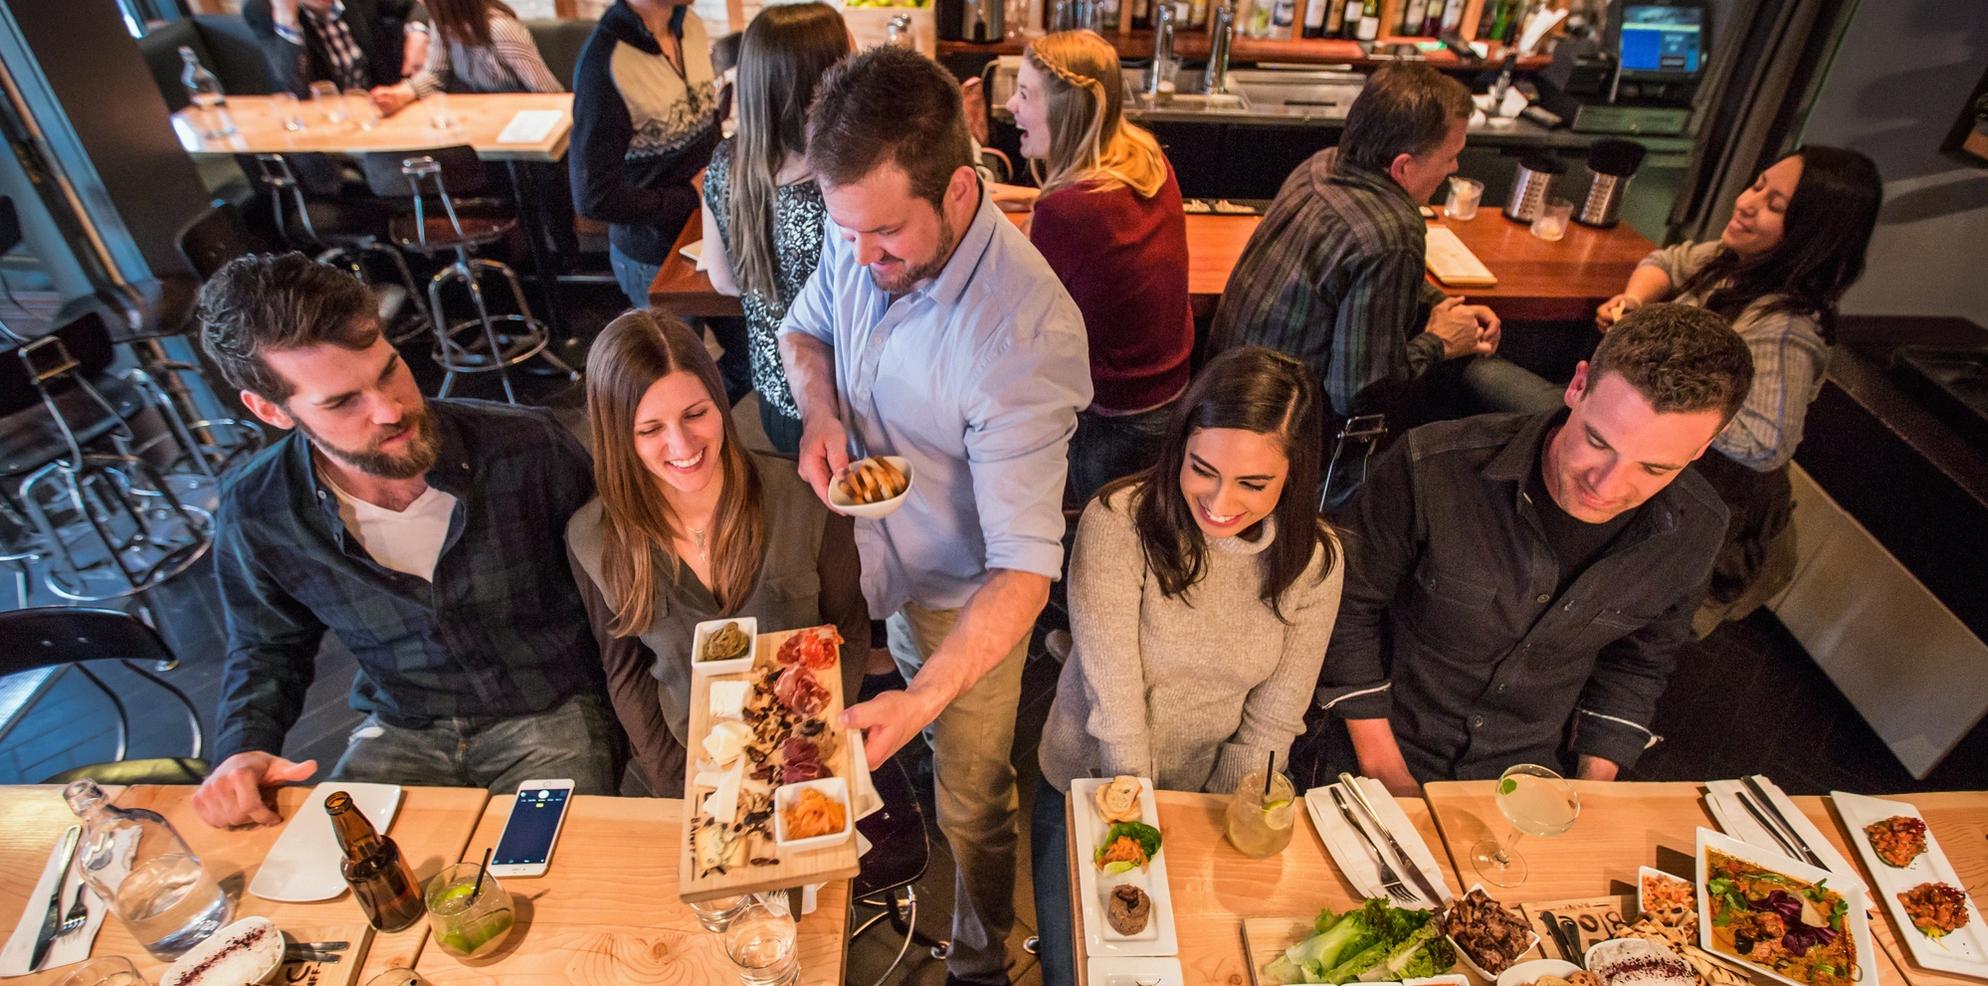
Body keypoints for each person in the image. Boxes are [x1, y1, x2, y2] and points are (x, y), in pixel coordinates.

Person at [779, 46, 1091, 986]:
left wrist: (921, 697)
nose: (863, 258)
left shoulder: (1022, 336)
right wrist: (821, 408)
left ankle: (983, 953)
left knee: (971, 800)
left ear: (960, 192)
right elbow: (803, 330)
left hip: (964, 597)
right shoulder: (859, 222)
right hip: (864, 558)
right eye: (850, 235)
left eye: (885, 237)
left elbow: (1026, 572)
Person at [189, 253, 612, 829]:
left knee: (548, 871)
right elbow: (266, 647)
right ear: (270, 410)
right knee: (337, 884)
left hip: (549, 711)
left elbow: (626, 581)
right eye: (341, 402)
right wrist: (242, 746)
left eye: (389, 370)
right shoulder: (259, 509)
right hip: (403, 728)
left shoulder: (526, 446)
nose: (390, 410)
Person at [1315, 303, 1754, 793]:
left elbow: (1638, 662)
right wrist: (1390, 778)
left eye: (1653, 469)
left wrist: (1592, 789)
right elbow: (1347, 612)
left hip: (1529, 776)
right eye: (1597, 441)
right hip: (1375, 749)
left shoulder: (1696, 528)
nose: (1607, 487)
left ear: (1704, 447)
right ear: (1578, 385)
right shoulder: (1430, 468)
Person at [1032, 347, 1343, 986]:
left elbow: (1272, 723)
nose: (1220, 503)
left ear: (1295, 474)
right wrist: (1139, 832)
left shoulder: (1315, 561)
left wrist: (1221, 822)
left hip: (1213, 800)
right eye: (1202, 470)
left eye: (1253, 484)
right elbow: (1114, 705)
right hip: (1095, 787)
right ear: (1180, 447)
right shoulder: (1118, 523)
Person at [566, 309, 868, 795]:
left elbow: (848, 627)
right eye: (650, 430)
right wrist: (679, 788)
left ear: (721, 402)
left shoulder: (805, 499)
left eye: (696, 414)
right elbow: (626, 676)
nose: (682, 444)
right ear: (618, 437)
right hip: (695, 768)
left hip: (808, 755)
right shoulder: (593, 539)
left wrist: (819, 741)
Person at [1595, 146, 1881, 632]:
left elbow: (1765, 443)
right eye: (1758, 186)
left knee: (1633, 636)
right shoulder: (1733, 261)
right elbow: (1668, 259)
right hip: (1664, 486)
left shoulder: (1784, 329)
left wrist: (1670, 390)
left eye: (1775, 206)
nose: (1747, 203)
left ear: (1812, 234)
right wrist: (1635, 300)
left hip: (1713, 521)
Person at [1206, 63, 1500, 505]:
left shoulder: (1322, 166)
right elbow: (1361, 393)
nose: (1455, 167)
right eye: (1449, 156)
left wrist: (1440, 300)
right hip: (1285, 438)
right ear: (1403, 166)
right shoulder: (1392, 232)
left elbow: (1348, 274)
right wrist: (1440, 341)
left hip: (1222, 395)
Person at [999, 29, 1193, 507]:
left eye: (1025, 94)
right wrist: (1028, 198)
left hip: (1114, 418)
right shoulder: (1143, 156)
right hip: (1170, 393)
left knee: (1093, 535)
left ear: (1068, 109)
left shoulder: (1067, 213)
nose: (1010, 105)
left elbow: (1018, 314)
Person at [699, 3, 850, 455]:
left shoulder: (728, 162)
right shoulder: (840, 179)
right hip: (846, 399)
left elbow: (723, 280)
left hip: (775, 394)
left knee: (809, 518)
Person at [369, 0, 563, 116]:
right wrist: (401, 94)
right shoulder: (443, 26)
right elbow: (436, 74)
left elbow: (550, 93)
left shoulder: (500, 29)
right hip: (484, 121)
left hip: (521, 126)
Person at [243, 0, 425, 97]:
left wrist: (418, 32)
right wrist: (287, 21)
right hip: (322, 121)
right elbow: (295, 89)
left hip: (380, 101)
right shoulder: (262, 10)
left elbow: (414, 5)